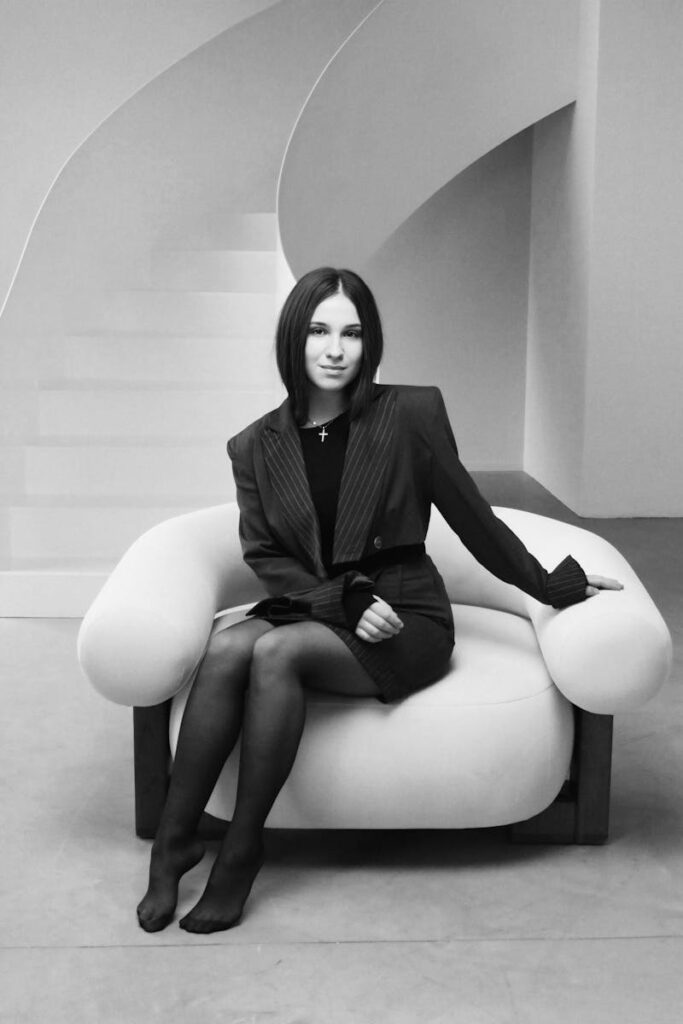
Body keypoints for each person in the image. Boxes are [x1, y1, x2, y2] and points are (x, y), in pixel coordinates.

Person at [136, 267, 623, 934]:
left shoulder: (410, 415)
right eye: (318, 330)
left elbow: (472, 518)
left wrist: (551, 583)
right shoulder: (254, 444)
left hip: (405, 615)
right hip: (320, 603)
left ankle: (241, 852)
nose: (334, 349)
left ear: (369, 344)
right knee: (225, 650)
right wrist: (342, 597)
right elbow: (266, 557)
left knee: (272, 652)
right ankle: (175, 842)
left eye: (352, 332)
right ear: (293, 340)